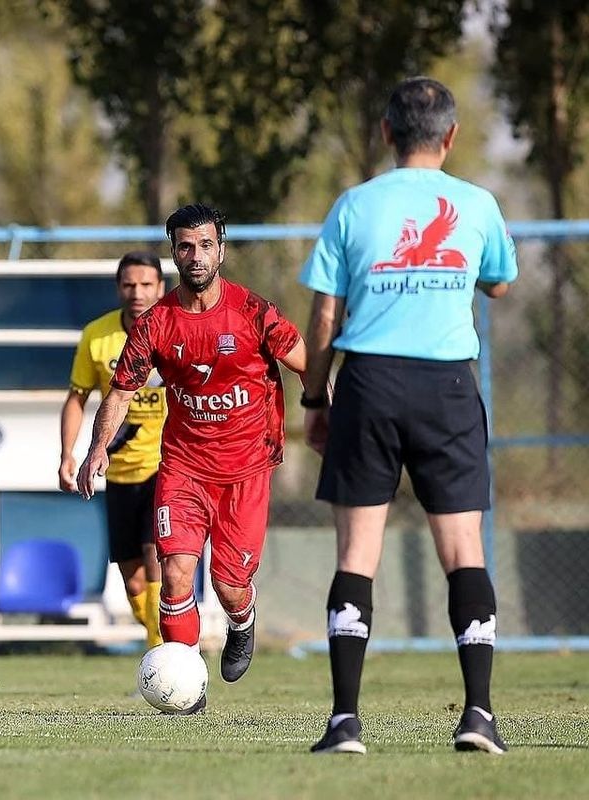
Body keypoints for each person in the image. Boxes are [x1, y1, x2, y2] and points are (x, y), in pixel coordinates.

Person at [299, 77, 517, 756]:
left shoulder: (354, 206)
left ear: (386, 133)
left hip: (369, 382)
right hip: (447, 387)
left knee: (356, 554)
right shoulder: (477, 203)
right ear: (450, 137)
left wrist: (313, 395)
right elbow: (501, 280)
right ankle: (478, 715)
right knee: (464, 553)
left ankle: (344, 724)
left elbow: (326, 313)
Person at [77, 204, 306, 712]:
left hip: (246, 469)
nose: (196, 255)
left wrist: (324, 417)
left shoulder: (253, 312)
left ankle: (242, 624)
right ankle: (188, 686)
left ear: (221, 249)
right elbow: (118, 394)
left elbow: (305, 363)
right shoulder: (156, 324)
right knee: (176, 572)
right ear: (174, 252)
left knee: (229, 585)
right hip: (182, 466)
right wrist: (95, 450)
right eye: (185, 246)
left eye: (206, 245)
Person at [59, 251, 166, 649]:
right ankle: (159, 641)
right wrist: (68, 453)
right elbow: (77, 397)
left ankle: (166, 658)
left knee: (157, 558)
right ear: (119, 287)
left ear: (160, 286)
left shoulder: (177, 328)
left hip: (166, 466)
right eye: (129, 285)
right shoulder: (97, 335)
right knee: (133, 579)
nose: (137, 293)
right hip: (118, 472)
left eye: (146, 285)